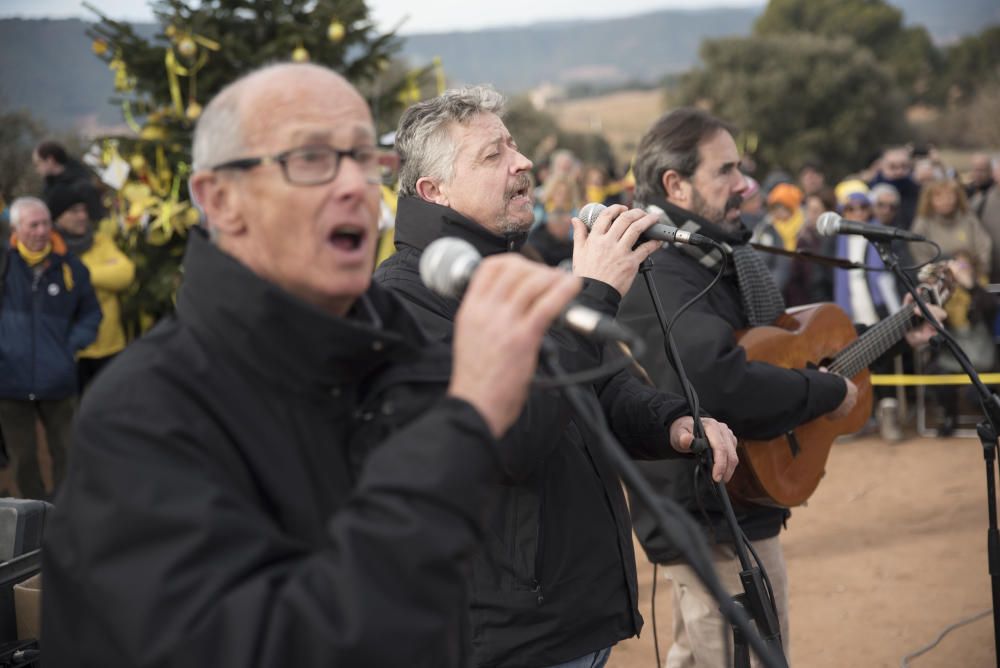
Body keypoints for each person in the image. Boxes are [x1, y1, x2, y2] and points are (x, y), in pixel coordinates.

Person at [41, 63, 588, 667]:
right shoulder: (140, 415)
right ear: (220, 200)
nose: (354, 185)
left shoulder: (386, 341)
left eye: (361, 159)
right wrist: (469, 417)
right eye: (310, 160)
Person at [374, 86, 739, 668]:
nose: (523, 163)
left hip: (574, 616)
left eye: (514, 145)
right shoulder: (404, 301)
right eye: (493, 155)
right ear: (432, 190)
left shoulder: (512, 266)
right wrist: (594, 293)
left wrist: (670, 421)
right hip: (509, 636)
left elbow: (600, 380)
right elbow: (509, 437)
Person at [617, 108, 939, 668]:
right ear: (676, 184)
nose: (746, 185)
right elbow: (721, 383)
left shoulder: (713, 256)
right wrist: (822, 393)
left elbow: (784, 347)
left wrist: (888, 332)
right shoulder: (663, 268)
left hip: (729, 512)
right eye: (727, 171)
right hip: (711, 519)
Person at [0, 197, 100, 499]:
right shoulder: (4, 265)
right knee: (23, 459)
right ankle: (33, 519)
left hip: (59, 379)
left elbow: (91, 313)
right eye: (34, 224)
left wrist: (70, 346)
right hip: (10, 381)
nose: (42, 231)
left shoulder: (71, 267)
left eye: (46, 223)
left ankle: (66, 516)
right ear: (17, 228)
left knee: (68, 454)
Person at [46, 182, 136, 390]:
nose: (82, 216)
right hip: (71, 350)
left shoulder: (100, 241)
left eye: (84, 210)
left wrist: (80, 274)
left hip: (110, 346)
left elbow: (125, 274)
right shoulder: (49, 249)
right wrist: (104, 276)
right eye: (74, 211)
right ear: (58, 217)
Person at [910, 178, 992, 275]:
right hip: (940, 281)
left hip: (972, 275)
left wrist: (978, 269)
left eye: (949, 196)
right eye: (939, 197)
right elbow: (920, 257)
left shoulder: (968, 218)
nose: (945, 201)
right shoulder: (922, 224)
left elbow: (983, 245)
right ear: (929, 200)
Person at [33, 140, 105, 222]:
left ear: (50, 160)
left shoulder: (83, 187)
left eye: (38, 163)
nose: (37, 169)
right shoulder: (49, 185)